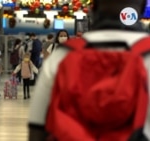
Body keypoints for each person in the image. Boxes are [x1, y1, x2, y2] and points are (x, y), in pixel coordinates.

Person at [28, 0, 150, 140]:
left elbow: (36, 129)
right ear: (141, 8)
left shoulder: (62, 56)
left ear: (94, 7)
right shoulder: (146, 55)